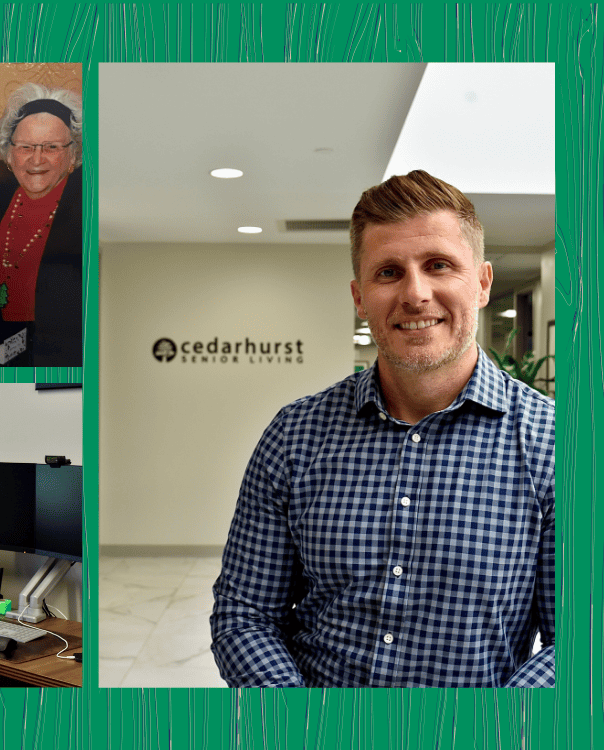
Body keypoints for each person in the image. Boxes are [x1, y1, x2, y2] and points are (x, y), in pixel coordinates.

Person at [210, 170, 555, 688]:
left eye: (439, 265)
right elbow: (245, 613)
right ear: (359, 296)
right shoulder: (294, 436)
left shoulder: (557, 445)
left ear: (482, 284)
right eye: (389, 272)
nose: (416, 294)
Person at [0, 83, 84, 367]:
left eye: (51, 147)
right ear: (10, 153)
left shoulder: (87, 211)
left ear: (73, 155)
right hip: (2, 343)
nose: (36, 159)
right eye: (25, 147)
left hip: (65, 351)